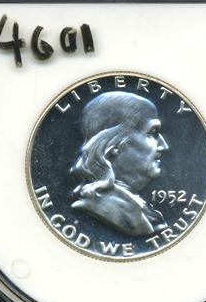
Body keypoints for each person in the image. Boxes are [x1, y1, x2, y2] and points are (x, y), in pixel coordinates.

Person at [70, 91, 170, 236]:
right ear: (114, 145)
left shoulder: (141, 210)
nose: (164, 146)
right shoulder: (99, 207)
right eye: (152, 133)